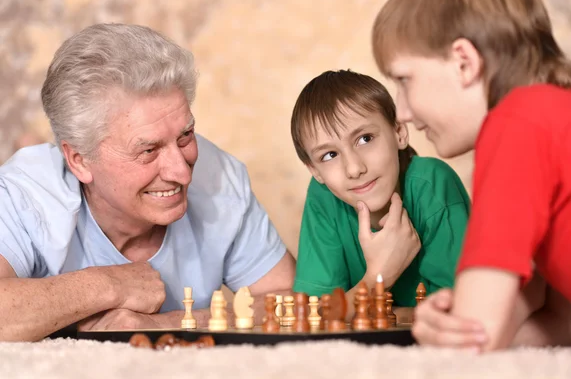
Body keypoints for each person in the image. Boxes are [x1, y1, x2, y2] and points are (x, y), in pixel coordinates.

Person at [0, 23, 295, 342]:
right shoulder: (25, 191)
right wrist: (107, 286)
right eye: (149, 150)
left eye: (185, 136)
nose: (182, 173)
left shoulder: (220, 178)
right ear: (79, 160)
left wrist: (168, 322)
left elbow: (292, 300)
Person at [371, 0, 571, 351]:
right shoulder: (553, 123)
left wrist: (441, 328)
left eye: (404, 80)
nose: (403, 113)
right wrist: (470, 326)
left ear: (464, 62)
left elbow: (475, 329)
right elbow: (565, 325)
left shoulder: (515, 124)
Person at [290, 69, 471, 319]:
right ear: (315, 171)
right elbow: (313, 318)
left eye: (365, 139)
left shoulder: (433, 184)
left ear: (399, 132)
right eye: (329, 155)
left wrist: (360, 309)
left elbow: (463, 315)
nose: (354, 169)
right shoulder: (324, 195)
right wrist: (380, 276)